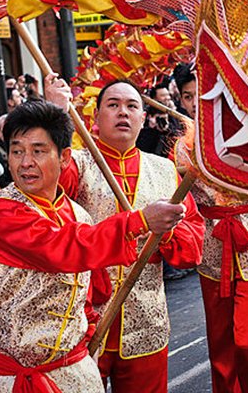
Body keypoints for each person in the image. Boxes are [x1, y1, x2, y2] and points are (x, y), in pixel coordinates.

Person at [0, 100, 186, 392]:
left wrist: (88, 334)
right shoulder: (0, 211)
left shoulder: (78, 213)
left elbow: (89, 294)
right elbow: (60, 247)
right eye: (17, 151)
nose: (25, 162)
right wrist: (140, 221)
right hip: (8, 380)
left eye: (38, 151)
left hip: (75, 374)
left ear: (64, 157)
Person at [51, 78, 204, 393]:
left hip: (146, 321)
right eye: (113, 105)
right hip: (81, 320)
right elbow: (48, 205)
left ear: (143, 118)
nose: (123, 112)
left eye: (132, 106)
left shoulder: (165, 170)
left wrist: (166, 232)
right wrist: (56, 115)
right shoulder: (75, 164)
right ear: (95, 117)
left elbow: (192, 246)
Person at [172, 64, 248, 393]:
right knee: (221, 344)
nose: (195, 101)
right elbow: (178, 195)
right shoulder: (183, 147)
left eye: (201, 93)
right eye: (187, 96)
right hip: (211, 247)